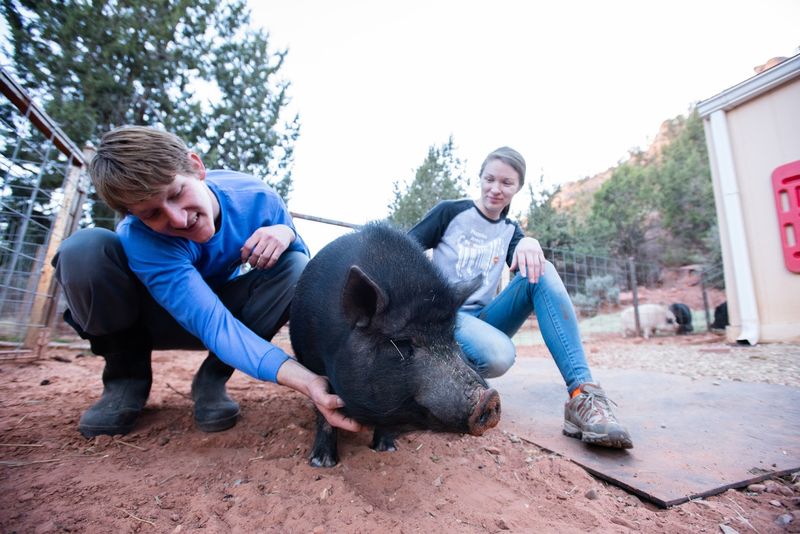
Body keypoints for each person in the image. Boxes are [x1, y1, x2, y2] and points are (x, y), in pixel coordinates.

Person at [53, 125, 361, 438]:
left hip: (224, 311)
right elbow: (213, 325)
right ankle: (125, 378)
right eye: (152, 213)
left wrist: (288, 234)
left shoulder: (257, 199)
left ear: (196, 167)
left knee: (295, 267)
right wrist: (307, 381)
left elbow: (306, 274)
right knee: (84, 250)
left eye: (176, 193)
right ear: (134, 215)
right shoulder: (141, 237)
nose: (178, 219)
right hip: (153, 321)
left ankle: (213, 378)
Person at [408, 146, 633, 449]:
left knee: (542, 270)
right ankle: (442, 374)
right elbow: (405, 247)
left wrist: (529, 241)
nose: (495, 189)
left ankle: (582, 396)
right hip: (444, 316)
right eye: (490, 179)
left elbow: (528, 267)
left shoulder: (510, 230)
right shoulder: (451, 212)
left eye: (506, 183)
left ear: (518, 188)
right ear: (480, 178)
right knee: (499, 355)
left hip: (481, 321)